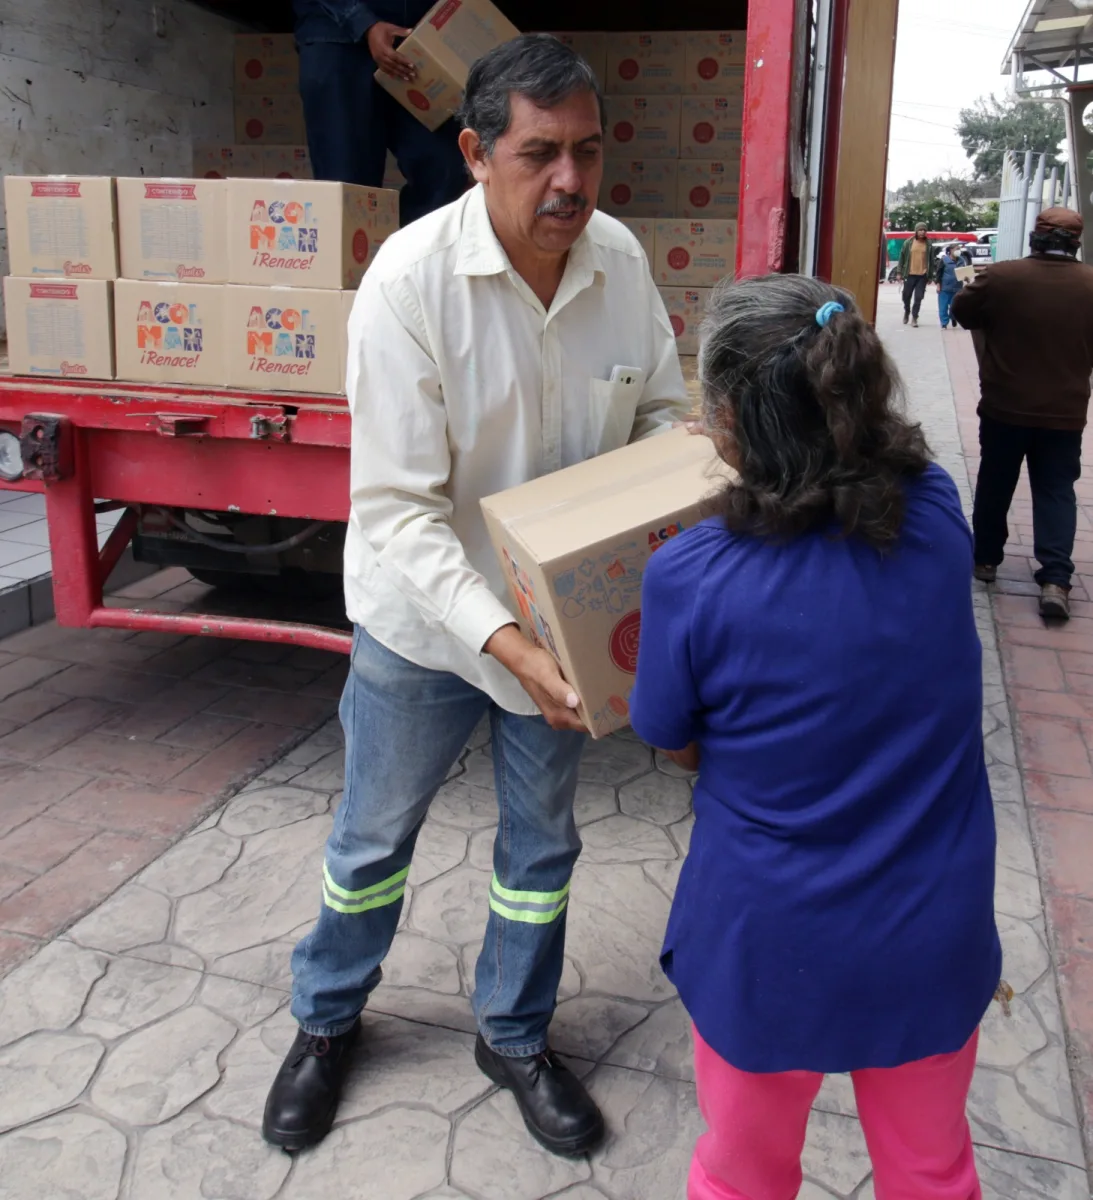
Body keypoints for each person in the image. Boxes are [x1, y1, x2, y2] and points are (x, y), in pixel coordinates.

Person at [261, 33, 689, 1156]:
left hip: (559, 635)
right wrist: (506, 642)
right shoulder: (408, 283)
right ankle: (325, 1020)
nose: (570, 183)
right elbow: (398, 510)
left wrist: (611, 582)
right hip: (423, 630)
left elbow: (657, 419)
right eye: (540, 154)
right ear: (472, 152)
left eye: (588, 154)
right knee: (371, 841)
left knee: (540, 853)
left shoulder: (621, 264)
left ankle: (512, 1031)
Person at [629, 274, 1001, 1200]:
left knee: (742, 1174)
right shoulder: (939, 515)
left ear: (724, 420)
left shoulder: (688, 577)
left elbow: (672, 741)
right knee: (930, 1172)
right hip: (930, 930)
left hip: (766, 943)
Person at [952, 206, 1093, 621]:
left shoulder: (1001, 277)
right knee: (1055, 489)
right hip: (1065, 412)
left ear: (1035, 237)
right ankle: (1055, 577)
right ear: (1076, 243)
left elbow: (962, 314)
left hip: (1003, 405)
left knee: (996, 479)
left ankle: (986, 560)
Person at [293, 0, 469, 224]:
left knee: (447, 166)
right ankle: (358, 257)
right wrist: (364, 22)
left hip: (415, 40)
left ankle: (409, 253)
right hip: (337, 39)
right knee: (349, 186)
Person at [897, 222, 937, 326]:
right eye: (920, 230)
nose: (922, 232)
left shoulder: (929, 244)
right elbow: (901, 258)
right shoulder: (908, 243)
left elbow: (931, 261)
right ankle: (907, 311)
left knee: (918, 297)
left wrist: (931, 276)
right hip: (909, 274)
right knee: (906, 296)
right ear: (916, 231)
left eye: (924, 230)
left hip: (922, 275)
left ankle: (914, 317)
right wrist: (899, 272)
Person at [936, 242, 967, 329]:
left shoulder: (961, 260)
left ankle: (953, 318)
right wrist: (938, 285)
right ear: (950, 250)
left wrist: (966, 278)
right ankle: (944, 323)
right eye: (956, 249)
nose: (958, 251)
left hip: (957, 287)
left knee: (955, 306)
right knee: (943, 307)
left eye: (959, 249)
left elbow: (963, 273)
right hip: (945, 288)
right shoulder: (944, 260)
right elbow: (939, 273)